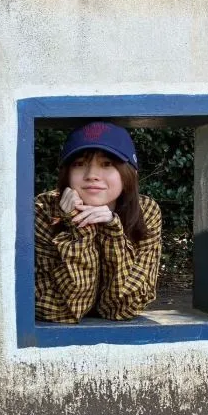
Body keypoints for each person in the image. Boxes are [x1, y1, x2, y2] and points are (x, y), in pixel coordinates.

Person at [34, 121, 162, 324]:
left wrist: (112, 230)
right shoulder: (45, 209)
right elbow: (59, 310)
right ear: (66, 173)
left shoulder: (145, 212)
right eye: (79, 164)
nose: (92, 175)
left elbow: (124, 308)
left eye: (107, 164)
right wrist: (79, 227)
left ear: (129, 172)